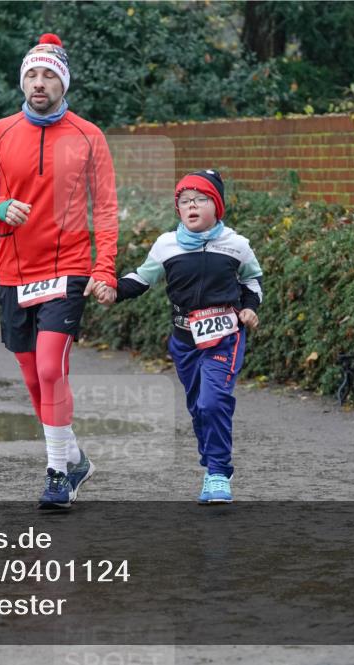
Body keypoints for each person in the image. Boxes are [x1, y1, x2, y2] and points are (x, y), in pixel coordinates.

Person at [0, 33, 119, 509]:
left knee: (52, 367)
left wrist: (105, 268)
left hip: (68, 268)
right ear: (22, 81)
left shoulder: (89, 135)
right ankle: (74, 457)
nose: (39, 82)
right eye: (32, 74)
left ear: (63, 82)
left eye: (48, 75)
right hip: (14, 271)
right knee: (34, 378)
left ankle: (57, 473)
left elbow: (107, 210)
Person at [93, 170, 262, 504]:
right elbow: (141, 279)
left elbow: (252, 282)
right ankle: (214, 461)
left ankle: (216, 472)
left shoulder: (237, 245)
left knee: (213, 401)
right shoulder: (166, 245)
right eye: (184, 201)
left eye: (200, 199)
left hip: (226, 336)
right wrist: (113, 290)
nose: (192, 206)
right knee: (199, 407)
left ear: (217, 206)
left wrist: (249, 309)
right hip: (184, 340)